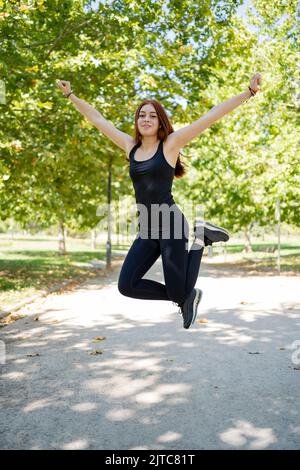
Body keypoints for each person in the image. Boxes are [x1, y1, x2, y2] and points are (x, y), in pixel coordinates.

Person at [56, 73, 262, 329]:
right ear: (137, 121)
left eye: (152, 115)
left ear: (161, 122)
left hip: (171, 225)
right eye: (142, 115)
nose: (146, 119)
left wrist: (248, 93)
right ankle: (187, 296)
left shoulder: (170, 144)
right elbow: (97, 119)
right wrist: (70, 95)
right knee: (127, 285)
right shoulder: (129, 146)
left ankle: (200, 237)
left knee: (178, 293)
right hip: (147, 229)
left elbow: (210, 116)